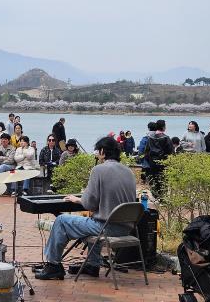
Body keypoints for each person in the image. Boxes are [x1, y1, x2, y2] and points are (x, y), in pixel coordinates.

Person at [35, 136, 136, 280]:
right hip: (126, 228)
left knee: (61, 221)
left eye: (98, 151)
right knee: (94, 219)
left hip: (106, 228)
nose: (97, 154)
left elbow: (89, 204)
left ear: (102, 151)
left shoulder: (98, 170)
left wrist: (78, 199)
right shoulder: (129, 172)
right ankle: (93, 265)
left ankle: (53, 265)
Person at [143, 119, 174, 197]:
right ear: (163, 127)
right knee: (163, 180)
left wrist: (149, 160)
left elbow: (146, 151)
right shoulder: (166, 138)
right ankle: (162, 197)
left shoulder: (150, 137)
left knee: (154, 180)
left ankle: (155, 196)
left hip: (152, 163)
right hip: (163, 163)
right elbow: (170, 152)